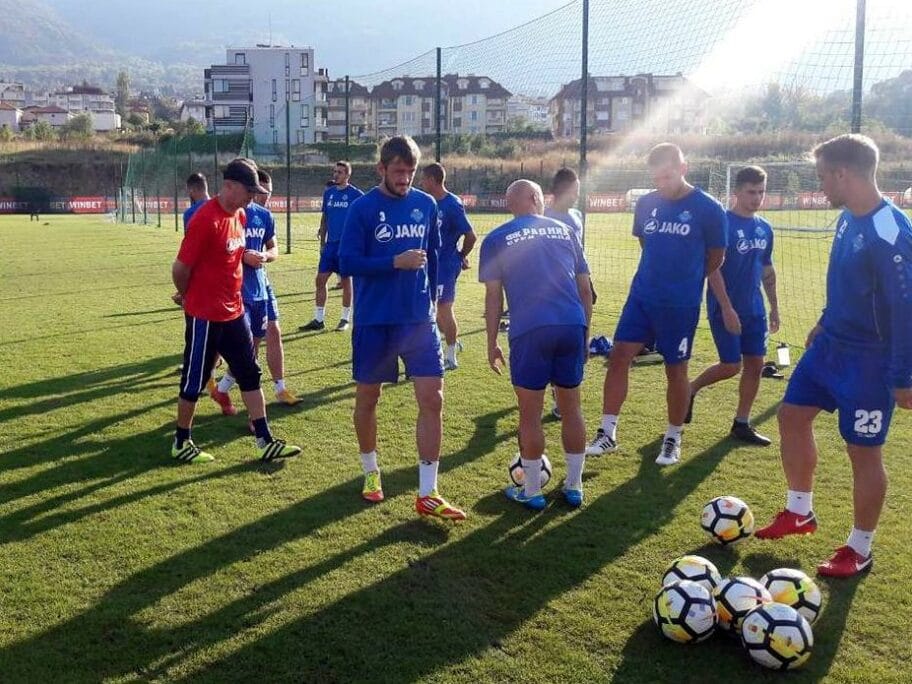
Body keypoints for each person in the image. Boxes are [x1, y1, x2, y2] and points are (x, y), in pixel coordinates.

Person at [755, 134, 912, 578]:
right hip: (829, 347)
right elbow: (845, 278)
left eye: (823, 176)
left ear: (844, 174)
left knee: (863, 453)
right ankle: (799, 511)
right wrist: (825, 318)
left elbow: (906, 307)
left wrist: (903, 374)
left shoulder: (890, 231)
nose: (820, 185)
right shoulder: (847, 218)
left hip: (870, 361)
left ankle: (860, 548)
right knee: (791, 415)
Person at [338, 135, 466, 521]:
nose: (405, 179)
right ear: (381, 169)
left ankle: (428, 492)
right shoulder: (362, 209)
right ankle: (371, 472)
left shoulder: (427, 205)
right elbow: (347, 262)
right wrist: (394, 262)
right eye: (398, 172)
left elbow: (435, 255)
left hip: (417, 320)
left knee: (433, 399)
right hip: (375, 320)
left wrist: (437, 298)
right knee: (368, 400)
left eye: (411, 172)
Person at [586, 143, 727, 466]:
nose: (662, 182)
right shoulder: (647, 203)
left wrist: (686, 280)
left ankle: (673, 437)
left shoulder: (708, 208)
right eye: (657, 177)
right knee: (619, 356)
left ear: (683, 168)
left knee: (675, 369)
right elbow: (645, 241)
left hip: (680, 304)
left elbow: (717, 257)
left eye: (668, 175)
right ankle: (607, 433)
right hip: (642, 296)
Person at [171, 158, 301, 464]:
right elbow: (180, 267)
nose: (252, 197)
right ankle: (181, 441)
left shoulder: (240, 215)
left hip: (234, 312)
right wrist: (189, 295)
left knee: (250, 373)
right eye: (248, 190)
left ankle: (264, 440)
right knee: (195, 378)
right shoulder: (205, 219)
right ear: (229, 186)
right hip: (205, 314)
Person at [480, 180, 592, 510]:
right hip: (571, 324)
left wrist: (491, 342)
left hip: (530, 329)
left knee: (530, 414)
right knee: (571, 409)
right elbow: (585, 289)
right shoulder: (565, 230)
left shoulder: (497, 238)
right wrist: (584, 335)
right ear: (534, 198)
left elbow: (492, 298)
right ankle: (574, 487)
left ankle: (532, 492)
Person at [686, 165, 780, 445]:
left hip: (755, 309)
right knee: (730, 365)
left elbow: (767, 268)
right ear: (737, 192)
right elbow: (712, 269)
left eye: (761, 192)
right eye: (751, 192)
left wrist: (774, 307)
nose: (757, 198)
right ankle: (690, 389)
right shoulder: (723, 223)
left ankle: (741, 423)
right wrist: (726, 307)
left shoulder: (765, 228)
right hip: (724, 307)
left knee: (755, 364)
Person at [212, 168, 301, 413]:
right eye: (258, 192)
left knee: (260, 341)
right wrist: (243, 257)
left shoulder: (264, 216)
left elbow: (274, 249)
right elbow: (220, 250)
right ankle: (253, 414)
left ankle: (225, 389)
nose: (262, 197)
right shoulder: (229, 215)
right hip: (235, 290)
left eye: (267, 193)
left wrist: (264, 255)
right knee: (244, 350)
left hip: (261, 286)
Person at [544, 166, 598, 418]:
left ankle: (559, 391)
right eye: (575, 190)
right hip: (551, 291)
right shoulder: (544, 217)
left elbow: (578, 256)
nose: (577, 195)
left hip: (576, 283)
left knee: (571, 338)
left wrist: (587, 282)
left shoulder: (576, 215)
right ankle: (557, 397)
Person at [420, 162, 477, 370]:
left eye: (424, 179)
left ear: (433, 180)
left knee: (444, 308)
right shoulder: (426, 202)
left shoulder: (452, 204)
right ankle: (448, 342)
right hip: (428, 264)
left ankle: (451, 357)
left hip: (445, 265)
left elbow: (471, 235)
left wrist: (461, 255)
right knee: (429, 309)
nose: (421, 182)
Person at [300, 162, 363, 332]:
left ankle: (344, 319)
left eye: (340, 172)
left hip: (347, 247)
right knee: (320, 280)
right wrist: (322, 243)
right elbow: (325, 218)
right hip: (330, 246)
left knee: (346, 281)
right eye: (335, 171)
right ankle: (319, 320)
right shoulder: (329, 193)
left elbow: (365, 219)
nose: (336, 175)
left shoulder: (356, 195)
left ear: (347, 175)